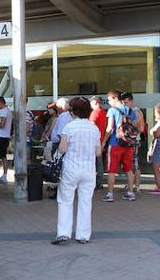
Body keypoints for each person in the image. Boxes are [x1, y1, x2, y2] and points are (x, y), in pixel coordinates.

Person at [52, 97, 101, 245]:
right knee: (85, 202)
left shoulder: (69, 127)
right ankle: (83, 235)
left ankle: (64, 233)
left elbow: (62, 148)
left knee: (65, 200)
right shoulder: (94, 128)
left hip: (71, 169)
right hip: (88, 169)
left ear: (73, 112)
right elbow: (98, 152)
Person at [101, 89, 139, 202]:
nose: (108, 102)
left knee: (112, 169)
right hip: (128, 143)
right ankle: (131, 192)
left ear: (115, 98)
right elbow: (134, 125)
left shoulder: (112, 110)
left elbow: (109, 128)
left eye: (109, 99)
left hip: (115, 143)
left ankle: (110, 194)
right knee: (128, 169)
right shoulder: (130, 110)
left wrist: (103, 142)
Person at [121, 92, 146, 193]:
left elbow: (138, 127)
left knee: (133, 163)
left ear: (131, 101)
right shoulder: (133, 111)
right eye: (123, 103)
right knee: (132, 163)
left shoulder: (135, 111)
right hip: (133, 139)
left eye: (126, 102)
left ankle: (136, 184)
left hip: (134, 140)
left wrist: (128, 122)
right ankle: (134, 184)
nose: (124, 105)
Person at [89, 96, 107, 188]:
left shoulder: (95, 113)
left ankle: (95, 182)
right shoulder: (104, 112)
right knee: (99, 162)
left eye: (91, 103)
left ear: (95, 102)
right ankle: (99, 181)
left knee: (92, 163)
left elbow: (91, 127)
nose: (90, 105)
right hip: (101, 140)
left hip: (93, 141)